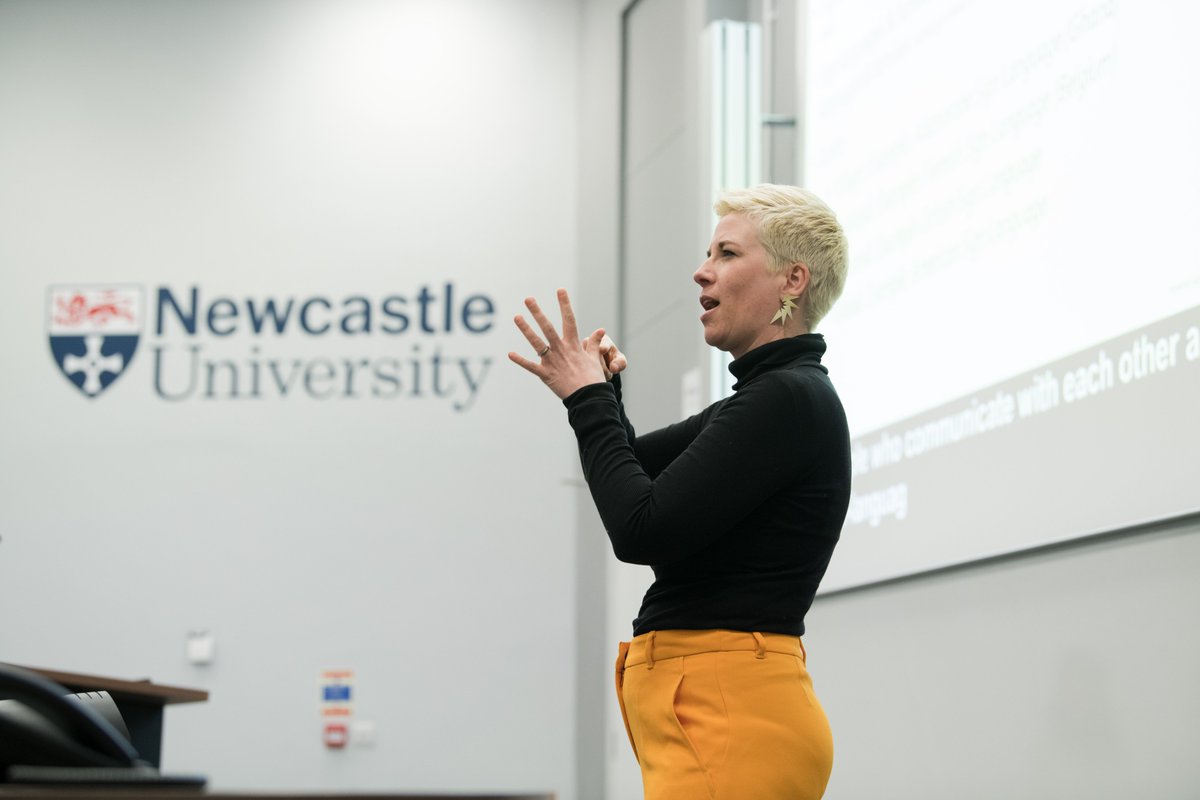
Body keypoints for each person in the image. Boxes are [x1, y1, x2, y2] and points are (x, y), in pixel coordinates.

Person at [509, 184, 850, 800]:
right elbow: (632, 467)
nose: (701, 271)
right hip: (719, 712)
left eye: (725, 253)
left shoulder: (786, 399)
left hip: (732, 717)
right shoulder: (764, 401)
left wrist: (589, 400)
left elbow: (642, 527)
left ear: (792, 280)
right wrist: (601, 394)